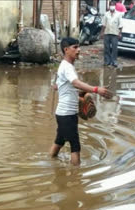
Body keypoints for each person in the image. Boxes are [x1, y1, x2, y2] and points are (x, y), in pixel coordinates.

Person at [49, 37, 113, 166]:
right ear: (66, 50)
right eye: (75, 47)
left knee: (60, 141)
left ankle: (49, 161)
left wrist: (79, 93)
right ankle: (76, 177)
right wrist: (96, 89)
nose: (78, 50)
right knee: (75, 146)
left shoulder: (65, 66)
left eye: (79, 47)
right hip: (67, 114)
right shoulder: (66, 67)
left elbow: (58, 86)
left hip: (63, 113)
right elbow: (75, 82)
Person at [101, 0, 123, 67]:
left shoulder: (118, 14)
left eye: (113, 5)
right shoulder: (106, 14)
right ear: (109, 6)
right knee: (106, 48)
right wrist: (102, 33)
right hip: (107, 33)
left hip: (115, 33)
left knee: (114, 48)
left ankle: (114, 61)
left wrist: (120, 33)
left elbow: (121, 25)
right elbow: (104, 24)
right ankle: (107, 61)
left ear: (115, 6)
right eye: (111, 5)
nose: (112, 6)